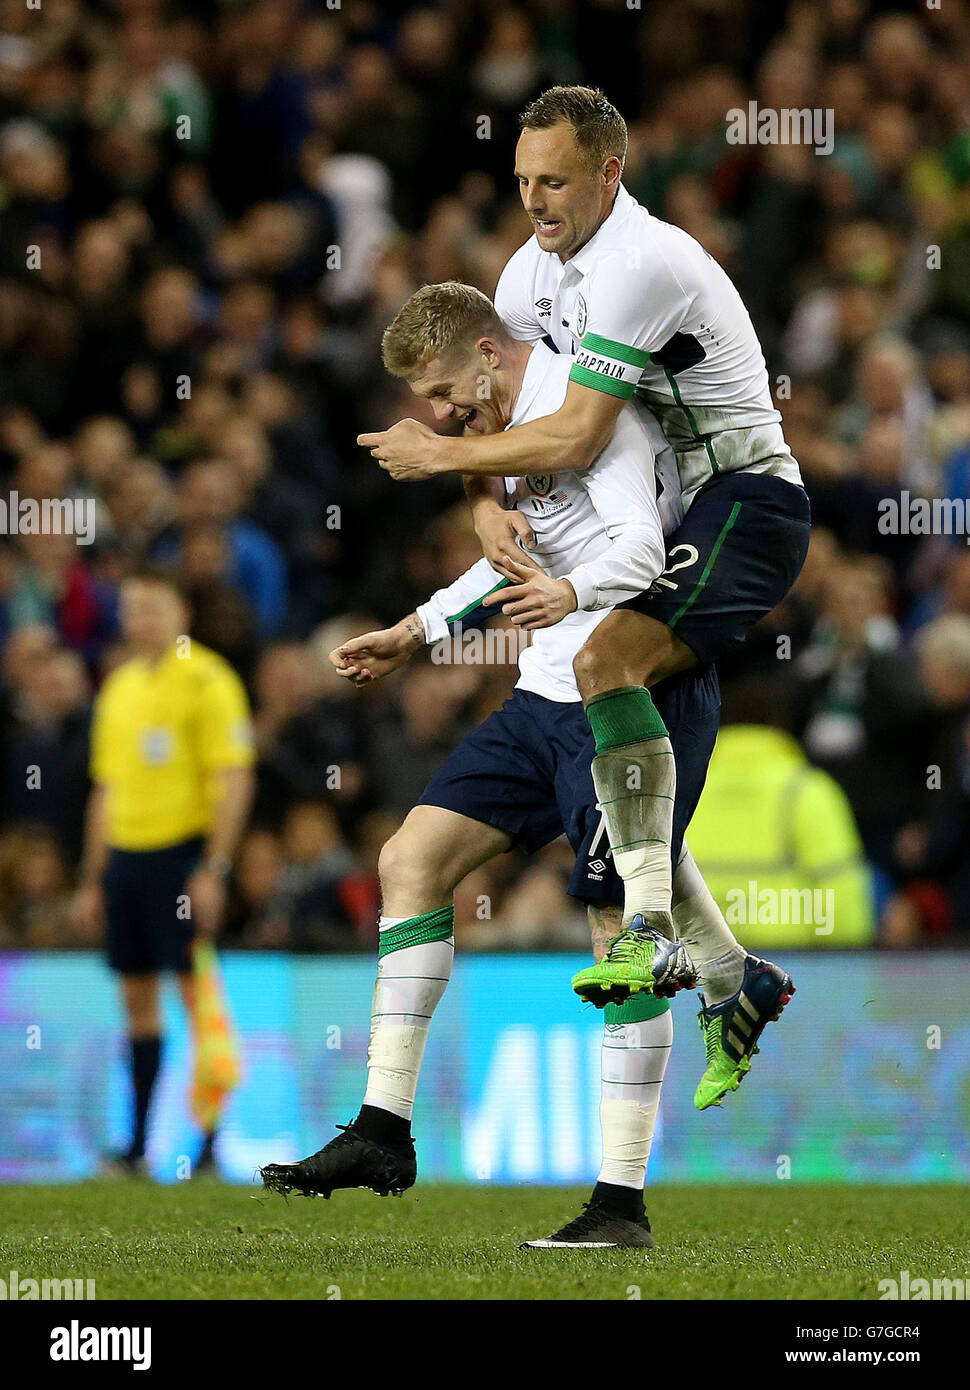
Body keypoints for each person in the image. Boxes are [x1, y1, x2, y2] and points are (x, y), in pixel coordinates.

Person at [359, 86, 810, 1109]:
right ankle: (737, 978)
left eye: (554, 180)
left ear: (610, 170)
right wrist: (480, 501)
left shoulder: (642, 264)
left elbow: (570, 439)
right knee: (617, 771)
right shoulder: (526, 272)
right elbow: (501, 394)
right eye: (523, 182)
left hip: (745, 496)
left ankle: (647, 932)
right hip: (662, 506)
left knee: (608, 659)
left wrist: (437, 463)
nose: (535, 202)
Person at [262, 281, 738, 1248]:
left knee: (618, 930)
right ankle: (384, 1130)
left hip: (632, 691)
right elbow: (514, 555)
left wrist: (568, 590)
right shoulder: (511, 435)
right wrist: (418, 628)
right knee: (409, 861)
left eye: (443, 392)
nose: (441, 418)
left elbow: (643, 549)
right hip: (540, 696)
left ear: (489, 349)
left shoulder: (582, 413)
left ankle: (620, 1204)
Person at [73, 567, 255, 1175]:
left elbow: (233, 778)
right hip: (125, 859)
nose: (141, 620)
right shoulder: (118, 685)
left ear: (183, 615)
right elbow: (105, 788)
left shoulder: (208, 680)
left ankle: (208, 1143)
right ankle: (138, 1146)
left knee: (196, 997)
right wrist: (92, 875)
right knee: (138, 1003)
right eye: (132, 609)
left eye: (153, 607)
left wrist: (214, 867)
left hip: (180, 857)